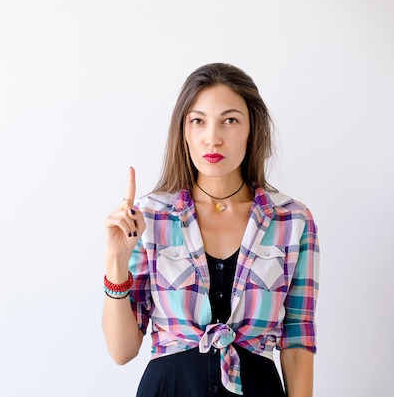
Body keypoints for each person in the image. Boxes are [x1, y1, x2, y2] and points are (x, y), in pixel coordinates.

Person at [102, 63, 319, 397]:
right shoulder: (151, 217)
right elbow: (122, 351)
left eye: (229, 120)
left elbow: (297, 340)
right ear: (184, 132)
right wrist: (116, 262)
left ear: (251, 129)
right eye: (198, 121)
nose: (212, 137)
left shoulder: (292, 221)